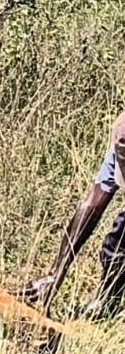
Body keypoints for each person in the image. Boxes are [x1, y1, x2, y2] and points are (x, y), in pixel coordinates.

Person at [21, 112, 125, 318]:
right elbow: (93, 204)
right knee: (115, 246)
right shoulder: (122, 134)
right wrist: (56, 273)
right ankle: (106, 306)